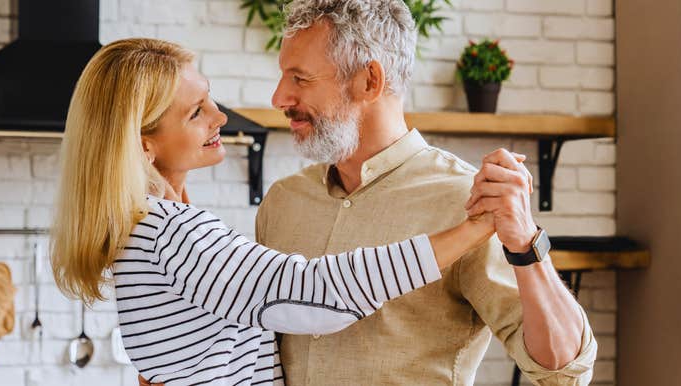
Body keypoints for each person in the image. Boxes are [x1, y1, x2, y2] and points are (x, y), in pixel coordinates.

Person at [49, 38, 517, 386]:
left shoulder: (141, 229)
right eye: (196, 112)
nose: (220, 117)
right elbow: (318, 295)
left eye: (209, 98)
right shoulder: (174, 233)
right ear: (145, 146)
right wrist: (475, 227)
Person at [253, 1, 597, 385]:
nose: (279, 98)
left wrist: (526, 244)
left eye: (300, 79)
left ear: (369, 80)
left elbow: (564, 372)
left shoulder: (467, 203)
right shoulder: (283, 201)